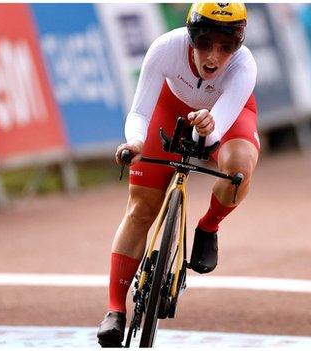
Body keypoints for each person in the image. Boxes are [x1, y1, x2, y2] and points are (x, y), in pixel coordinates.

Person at [97, 3, 259, 347]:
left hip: (222, 117)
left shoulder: (245, 66)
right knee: (140, 209)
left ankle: (208, 226)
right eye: (204, 43)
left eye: (225, 47)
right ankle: (114, 309)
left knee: (240, 168)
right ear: (190, 37)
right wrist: (135, 142)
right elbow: (139, 110)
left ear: (238, 46)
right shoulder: (166, 49)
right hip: (169, 109)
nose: (213, 57)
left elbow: (216, 132)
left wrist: (206, 129)